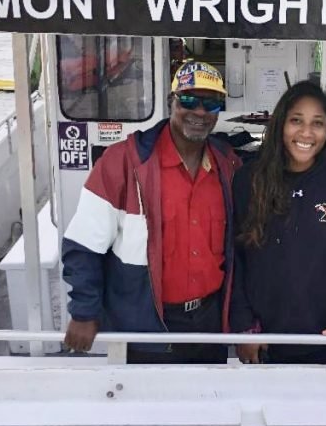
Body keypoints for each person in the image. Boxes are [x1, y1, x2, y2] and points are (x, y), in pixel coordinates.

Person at [61, 61, 242, 363]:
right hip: (144, 323)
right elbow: (83, 246)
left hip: (210, 323)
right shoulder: (122, 162)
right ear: (172, 101)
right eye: (188, 100)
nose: (199, 111)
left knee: (207, 393)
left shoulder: (229, 165)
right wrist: (84, 312)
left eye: (211, 103)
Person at [230, 81, 326, 365]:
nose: (306, 133)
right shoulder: (249, 178)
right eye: (296, 120)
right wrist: (244, 327)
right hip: (263, 340)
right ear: (280, 124)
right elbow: (236, 258)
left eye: (317, 123)